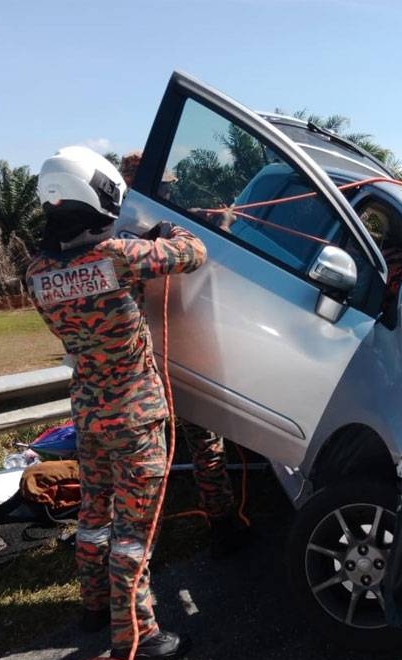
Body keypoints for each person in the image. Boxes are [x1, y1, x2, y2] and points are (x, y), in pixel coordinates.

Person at [26, 146, 200, 660]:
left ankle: (92, 606)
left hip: (88, 412)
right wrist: (166, 232)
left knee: (94, 516)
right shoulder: (120, 256)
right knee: (133, 532)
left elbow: (79, 269)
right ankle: (138, 637)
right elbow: (193, 253)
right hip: (136, 415)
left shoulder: (34, 270)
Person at [119, 150, 246, 560]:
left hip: (148, 356)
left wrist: (217, 219)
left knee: (173, 449)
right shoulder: (131, 236)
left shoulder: (111, 229)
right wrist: (213, 226)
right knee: (198, 443)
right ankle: (214, 526)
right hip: (159, 355)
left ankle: (208, 525)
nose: (171, 189)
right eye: (165, 185)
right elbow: (194, 250)